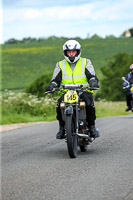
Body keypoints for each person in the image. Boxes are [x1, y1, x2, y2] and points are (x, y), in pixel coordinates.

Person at [46, 39, 100, 139]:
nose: (71, 54)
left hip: (83, 91)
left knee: (88, 104)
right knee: (60, 104)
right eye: (69, 52)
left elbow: (91, 75)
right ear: (65, 53)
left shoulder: (86, 62)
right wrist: (52, 85)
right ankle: (62, 128)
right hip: (68, 92)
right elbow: (56, 79)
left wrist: (93, 81)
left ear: (78, 52)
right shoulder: (60, 64)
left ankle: (92, 127)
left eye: (73, 52)